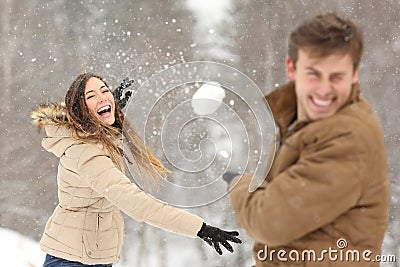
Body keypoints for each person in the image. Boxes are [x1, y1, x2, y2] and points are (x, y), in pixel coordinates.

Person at [225, 12, 389, 267]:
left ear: (355, 73)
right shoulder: (298, 123)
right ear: (292, 68)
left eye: (336, 77)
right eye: (313, 74)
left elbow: (269, 221)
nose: (324, 89)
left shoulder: (348, 138)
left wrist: (238, 184)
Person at [31, 72, 241, 267]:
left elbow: (92, 129)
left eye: (105, 91)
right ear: (80, 109)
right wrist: (199, 228)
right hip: (74, 259)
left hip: (85, 255)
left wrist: (105, 115)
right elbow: (135, 203)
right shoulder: (88, 153)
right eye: (91, 96)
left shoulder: (91, 137)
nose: (104, 97)